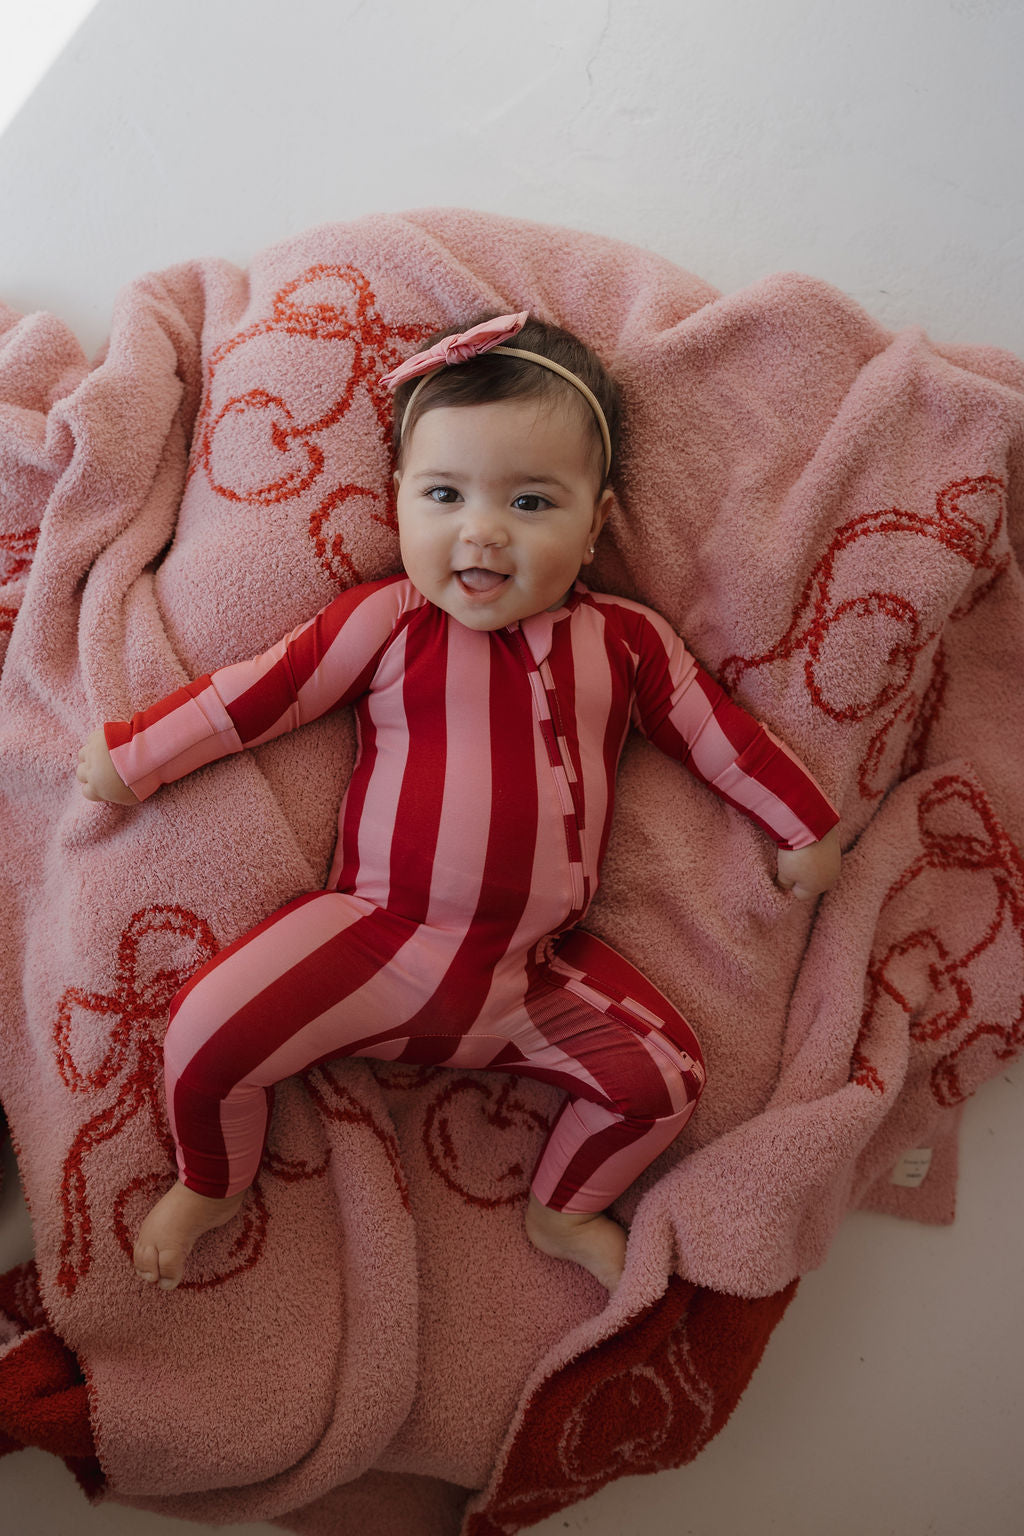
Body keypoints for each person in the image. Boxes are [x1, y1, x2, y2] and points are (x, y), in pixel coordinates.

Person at [77, 312, 842, 1296]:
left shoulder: (623, 644)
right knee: (204, 1037)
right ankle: (213, 1181)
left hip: (531, 979)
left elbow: (717, 737)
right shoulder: (389, 622)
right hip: (375, 941)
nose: (480, 531)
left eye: (530, 501)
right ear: (397, 501)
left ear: (596, 521)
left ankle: (563, 1209)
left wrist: (803, 825)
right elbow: (263, 695)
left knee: (664, 1083)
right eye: (444, 494)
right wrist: (138, 752)